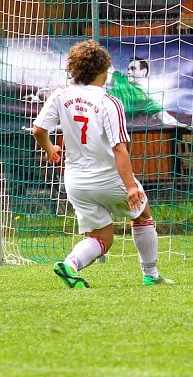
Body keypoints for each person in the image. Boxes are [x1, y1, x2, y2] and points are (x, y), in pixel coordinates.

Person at [31, 40, 174, 288]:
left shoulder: (60, 95)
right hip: (108, 177)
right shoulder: (110, 102)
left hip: (76, 182)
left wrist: (50, 147)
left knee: (101, 238)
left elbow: (38, 130)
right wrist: (131, 186)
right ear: (102, 70)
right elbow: (120, 148)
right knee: (142, 216)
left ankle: (70, 265)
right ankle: (151, 274)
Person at [109, 56, 178, 125]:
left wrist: (183, 126)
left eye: (133, 69)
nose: (129, 72)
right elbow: (108, 69)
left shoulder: (145, 99)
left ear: (144, 72)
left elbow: (166, 118)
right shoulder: (122, 79)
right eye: (128, 69)